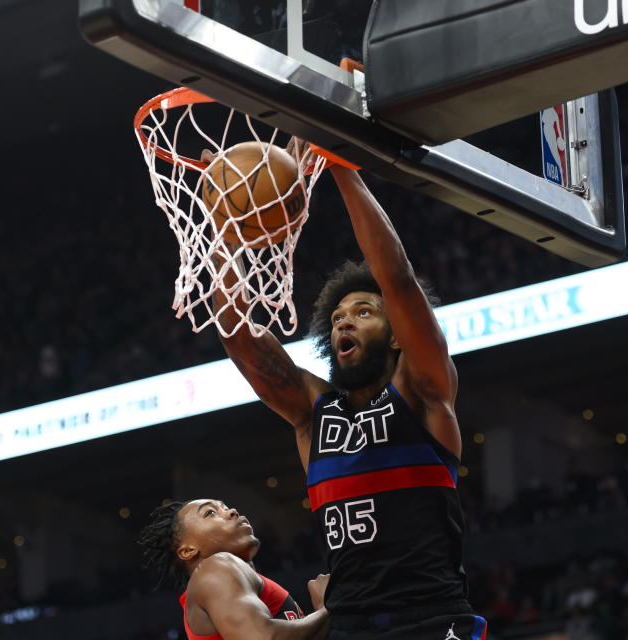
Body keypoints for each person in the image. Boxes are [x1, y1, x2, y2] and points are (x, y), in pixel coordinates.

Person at [212, 159, 486, 639]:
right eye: (338, 316)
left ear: (397, 334)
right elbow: (242, 340)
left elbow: (397, 279)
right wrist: (224, 232)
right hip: (349, 626)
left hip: (433, 618)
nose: (345, 321)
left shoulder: (423, 391)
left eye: (364, 311)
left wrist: (340, 166)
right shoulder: (313, 414)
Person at [138, 498, 330, 640]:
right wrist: (325, 609)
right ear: (188, 550)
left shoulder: (232, 579)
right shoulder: (214, 568)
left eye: (226, 507)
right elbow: (262, 638)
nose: (232, 512)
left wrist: (324, 612)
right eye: (210, 513)